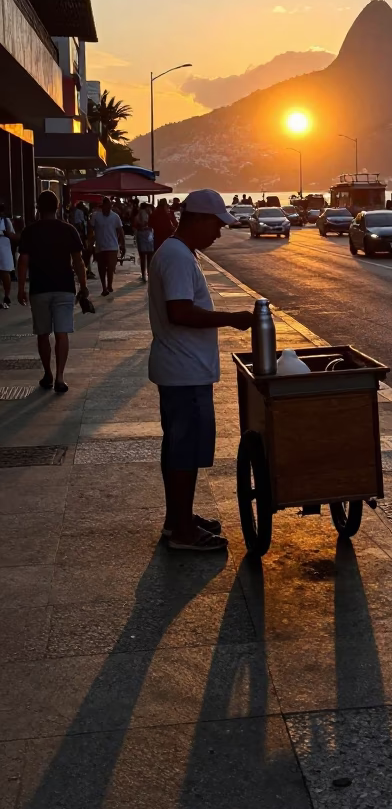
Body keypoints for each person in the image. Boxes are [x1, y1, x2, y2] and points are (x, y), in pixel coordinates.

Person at [148, 189, 253, 551]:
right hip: (184, 371)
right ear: (199, 219)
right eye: (217, 225)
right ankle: (181, 532)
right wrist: (233, 318)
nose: (219, 233)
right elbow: (179, 311)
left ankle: (178, 518)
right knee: (184, 450)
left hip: (183, 368)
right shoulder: (176, 256)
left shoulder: (180, 253)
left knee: (179, 448)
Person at [17, 190, 88, 393]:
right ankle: (60, 377)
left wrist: (21, 287)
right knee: (62, 333)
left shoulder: (30, 231)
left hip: (39, 288)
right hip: (64, 287)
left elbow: (23, 261)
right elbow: (78, 260)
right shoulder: (68, 230)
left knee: (42, 333)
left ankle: (47, 373)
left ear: (38, 207)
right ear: (57, 207)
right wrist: (83, 287)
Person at [89, 196, 125, 296]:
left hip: (112, 246)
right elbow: (91, 229)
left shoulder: (115, 217)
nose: (109, 208)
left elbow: (120, 231)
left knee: (110, 267)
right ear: (103, 206)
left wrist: (123, 244)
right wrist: (90, 243)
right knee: (101, 268)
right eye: (107, 206)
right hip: (100, 246)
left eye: (110, 206)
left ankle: (109, 285)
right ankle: (104, 287)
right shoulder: (96, 216)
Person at [133, 201, 154, 282]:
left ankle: (143, 275)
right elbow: (146, 223)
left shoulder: (138, 215)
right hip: (148, 236)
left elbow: (135, 225)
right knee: (149, 256)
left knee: (142, 257)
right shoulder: (147, 214)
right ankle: (148, 273)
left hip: (141, 236)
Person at [0, 202, 15, 307]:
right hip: (4, 246)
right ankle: (6, 296)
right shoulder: (5, 220)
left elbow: (12, 234)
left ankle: (6, 296)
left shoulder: (5, 221)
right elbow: (12, 234)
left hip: (4, 246)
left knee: (5, 273)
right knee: (5, 272)